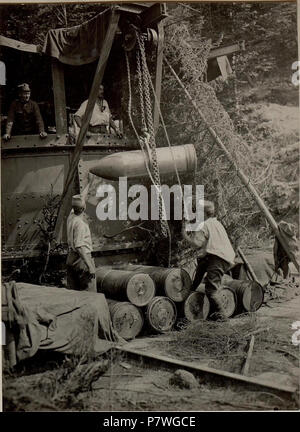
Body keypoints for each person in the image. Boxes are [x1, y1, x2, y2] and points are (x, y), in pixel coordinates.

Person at [182, 200, 236, 317]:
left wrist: (184, 234)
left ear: (203, 214)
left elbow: (197, 244)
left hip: (218, 257)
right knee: (200, 269)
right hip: (220, 255)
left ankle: (223, 318)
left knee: (211, 291)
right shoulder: (216, 223)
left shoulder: (204, 225)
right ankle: (191, 292)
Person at [66, 191, 96, 292]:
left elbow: (75, 206)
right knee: (89, 294)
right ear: (83, 208)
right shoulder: (81, 224)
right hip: (82, 260)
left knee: (74, 294)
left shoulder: (70, 218)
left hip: (71, 258)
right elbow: (79, 246)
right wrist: (90, 266)